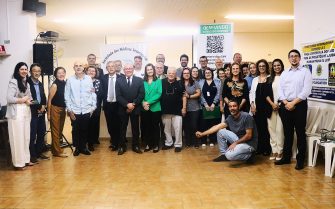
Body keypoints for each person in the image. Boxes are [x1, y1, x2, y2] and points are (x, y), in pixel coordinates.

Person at [275, 49, 312, 170]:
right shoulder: (285, 73)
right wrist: (286, 102)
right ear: (289, 59)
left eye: (296, 56)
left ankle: (300, 161)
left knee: (300, 133)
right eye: (291, 56)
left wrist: (293, 103)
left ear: (299, 58)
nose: (294, 58)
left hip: (300, 105)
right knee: (288, 132)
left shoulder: (305, 72)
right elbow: (280, 90)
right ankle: (286, 158)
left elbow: (306, 91)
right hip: (286, 105)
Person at [65, 61, 96, 156]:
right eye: (76, 66)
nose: (78, 67)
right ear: (73, 68)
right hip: (75, 110)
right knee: (75, 130)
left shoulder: (88, 79)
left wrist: (93, 107)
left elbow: (92, 93)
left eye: (80, 66)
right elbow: (67, 96)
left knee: (84, 129)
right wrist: (70, 110)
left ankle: (83, 147)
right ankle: (77, 148)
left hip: (87, 109)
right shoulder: (70, 80)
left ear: (84, 68)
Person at [6, 62, 33, 170]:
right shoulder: (13, 81)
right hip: (16, 112)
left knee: (26, 137)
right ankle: (18, 164)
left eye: (26, 69)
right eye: (22, 69)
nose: (24, 71)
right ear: (18, 70)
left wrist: (29, 101)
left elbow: (29, 97)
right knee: (17, 138)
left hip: (26, 111)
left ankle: (25, 160)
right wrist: (21, 100)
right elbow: (9, 98)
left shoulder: (27, 82)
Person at [115, 63, 145, 155]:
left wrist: (133, 104)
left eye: (130, 68)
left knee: (135, 128)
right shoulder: (119, 80)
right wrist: (127, 105)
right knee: (122, 128)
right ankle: (121, 146)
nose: (128, 70)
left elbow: (141, 94)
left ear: (133, 69)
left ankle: (135, 146)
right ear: (124, 70)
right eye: (126, 69)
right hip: (122, 108)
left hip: (135, 108)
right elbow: (118, 96)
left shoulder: (139, 80)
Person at [161, 67, 187, 152]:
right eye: (169, 73)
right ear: (167, 73)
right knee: (166, 129)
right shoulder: (161, 82)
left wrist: (184, 108)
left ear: (175, 74)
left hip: (177, 110)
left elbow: (184, 96)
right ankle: (168, 143)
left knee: (178, 128)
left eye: (173, 73)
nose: (171, 74)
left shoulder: (180, 83)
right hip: (165, 110)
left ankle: (178, 144)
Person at [249, 59, 272, 156]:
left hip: (267, 107)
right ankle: (260, 148)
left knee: (267, 128)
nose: (261, 67)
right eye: (260, 66)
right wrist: (252, 105)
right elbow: (252, 93)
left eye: (263, 66)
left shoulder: (271, 78)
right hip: (257, 107)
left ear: (266, 67)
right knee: (258, 129)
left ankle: (267, 148)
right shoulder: (255, 79)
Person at [27, 63, 48, 163]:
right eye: (34, 71)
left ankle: (38, 152)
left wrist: (44, 105)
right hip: (32, 113)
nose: (37, 73)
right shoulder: (27, 83)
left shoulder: (39, 83)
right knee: (32, 135)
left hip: (41, 113)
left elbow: (43, 96)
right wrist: (39, 106)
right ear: (31, 71)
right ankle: (32, 155)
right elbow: (31, 98)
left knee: (41, 133)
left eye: (38, 71)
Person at [265, 59, 285, 160]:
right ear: (272, 67)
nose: (277, 67)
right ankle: (274, 150)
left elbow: (287, 92)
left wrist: (279, 103)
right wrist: (272, 104)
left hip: (282, 106)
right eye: (275, 65)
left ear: (281, 66)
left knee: (279, 129)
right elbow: (266, 94)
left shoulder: (285, 77)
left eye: (278, 65)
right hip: (271, 107)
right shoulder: (269, 78)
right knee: (272, 129)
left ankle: (280, 151)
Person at [101, 61, 122, 151]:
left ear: (115, 67)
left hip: (119, 105)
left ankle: (120, 143)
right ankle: (114, 142)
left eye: (112, 66)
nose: (111, 68)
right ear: (106, 68)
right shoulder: (103, 78)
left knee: (119, 125)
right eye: (108, 66)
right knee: (110, 125)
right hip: (107, 105)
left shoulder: (121, 77)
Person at [47, 67, 68, 158]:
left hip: (63, 109)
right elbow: (49, 100)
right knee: (55, 131)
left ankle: (55, 149)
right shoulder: (55, 85)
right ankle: (57, 152)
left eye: (63, 72)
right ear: (55, 75)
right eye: (59, 73)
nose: (61, 74)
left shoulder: (65, 83)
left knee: (59, 131)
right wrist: (48, 113)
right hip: (54, 109)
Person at [141, 63, 162, 153]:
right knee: (146, 127)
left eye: (151, 69)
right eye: (148, 69)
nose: (149, 71)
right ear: (145, 71)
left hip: (155, 108)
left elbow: (159, 93)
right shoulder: (142, 82)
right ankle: (148, 144)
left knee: (155, 127)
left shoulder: (158, 81)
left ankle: (156, 145)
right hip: (145, 108)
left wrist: (147, 102)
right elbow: (140, 94)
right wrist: (143, 103)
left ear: (153, 70)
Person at [198, 69, 221, 147]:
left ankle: (212, 140)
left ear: (212, 73)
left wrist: (214, 103)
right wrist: (205, 104)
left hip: (214, 106)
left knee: (213, 123)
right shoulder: (200, 82)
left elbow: (219, 93)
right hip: (204, 107)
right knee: (203, 124)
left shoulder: (217, 82)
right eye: (206, 73)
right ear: (204, 74)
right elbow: (200, 94)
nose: (208, 74)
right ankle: (203, 140)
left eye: (209, 72)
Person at [181, 68, 201, 148]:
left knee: (194, 126)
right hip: (183, 108)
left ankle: (196, 142)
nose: (186, 74)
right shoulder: (180, 83)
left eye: (188, 73)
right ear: (182, 74)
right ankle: (188, 142)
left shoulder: (195, 83)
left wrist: (189, 96)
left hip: (194, 108)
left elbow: (198, 93)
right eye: (184, 73)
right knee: (186, 126)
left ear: (190, 74)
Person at [85, 66, 103, 151]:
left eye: (93, 71)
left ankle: (91, 143)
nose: (91, 72)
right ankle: (84, 142)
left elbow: (101, 94)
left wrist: (94, 92)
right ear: (86, 71)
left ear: (96, 73)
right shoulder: (82, 81)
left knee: (93, 125)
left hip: (95, 107)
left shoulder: (98, 82)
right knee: (85, 125)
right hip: (84, 107)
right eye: (89, 70)